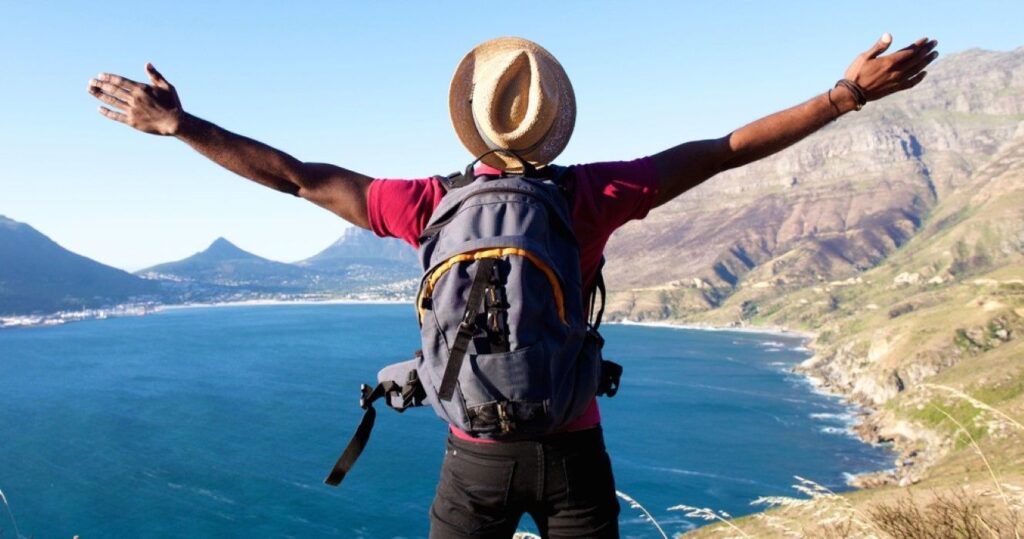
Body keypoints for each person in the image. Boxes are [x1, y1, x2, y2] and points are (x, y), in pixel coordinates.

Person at [88, 34, 937, 538]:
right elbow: (724, 149)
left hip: (474, 463)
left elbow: (297, 178)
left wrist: (180, 124)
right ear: (554, 122)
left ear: (473, 123)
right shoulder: (590, 196)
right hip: (574, 453)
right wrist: (845, 94)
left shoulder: (423, 204)